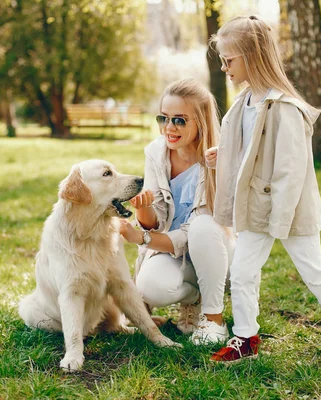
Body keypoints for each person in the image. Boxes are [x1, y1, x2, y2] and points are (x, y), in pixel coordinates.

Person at [205, 15, 321, 365]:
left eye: (230, 60)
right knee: (243, 272)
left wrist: (280, 220)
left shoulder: (285, 108)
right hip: (255, 207)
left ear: (252, 56)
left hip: (289, 210)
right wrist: (226, 155)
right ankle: (246, 337)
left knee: (313, 269)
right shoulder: (245, 102)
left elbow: (290, 170)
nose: (224, 67)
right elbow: (251, 149)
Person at [119, 78, 235, 346]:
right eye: (164, 118)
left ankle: (212, 315)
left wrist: (142, 239)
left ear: (201, 122)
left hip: (219, 251)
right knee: (150, 287)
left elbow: (194, 230)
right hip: (172, 250)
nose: (169, 128)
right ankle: (193, 297)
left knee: (202, 228)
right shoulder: (156, 153)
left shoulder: (217, 158)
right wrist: (144, 208)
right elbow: (155, 222)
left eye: (180, 120)